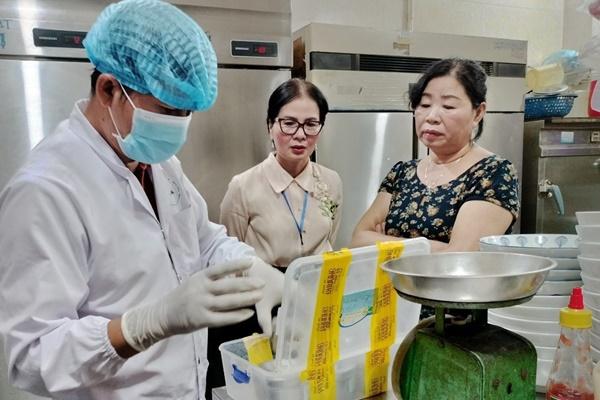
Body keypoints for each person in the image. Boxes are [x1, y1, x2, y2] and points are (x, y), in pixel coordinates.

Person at [0, 1, 282, 399]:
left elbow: (203, 241)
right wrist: (141, 326)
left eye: (186, 113)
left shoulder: (160, 163)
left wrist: (253, 268)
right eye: (167, 110)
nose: (179, 127)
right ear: (109, 89)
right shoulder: (46, 190)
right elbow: (33, 356)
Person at [206, 78, 342, 395]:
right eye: (289, 123)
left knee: (311, 387)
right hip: (260, 307)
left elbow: (330, 235)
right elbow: (231, 254)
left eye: (311, 124)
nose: (300, 134)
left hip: (314, 300)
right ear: (270, 125)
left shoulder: (332, 182)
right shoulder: (243, 186)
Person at [351, 58, 519, 252]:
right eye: (424, 105)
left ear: (478, 113)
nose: (431, 117)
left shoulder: (492, 173)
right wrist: (434, 247)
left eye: (448, 106)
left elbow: (460, 256)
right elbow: (358, 239)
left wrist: (384, 242)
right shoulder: (402, 173)